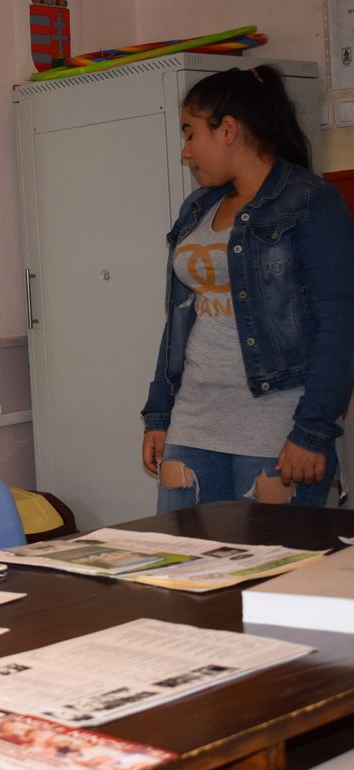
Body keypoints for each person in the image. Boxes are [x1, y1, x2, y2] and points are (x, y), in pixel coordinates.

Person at [141, 65, 354, 511]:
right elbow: (179, 318)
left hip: (277, 425)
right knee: (179, 554)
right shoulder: (197, 207)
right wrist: (159, 413)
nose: (186, 151)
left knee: (272, 557)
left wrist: (312, 430)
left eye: (191, 133)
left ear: (228, 129)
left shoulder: (312, 201)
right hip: (194, 421)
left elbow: (340, 323)